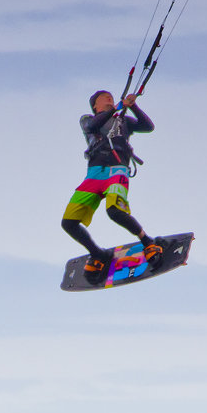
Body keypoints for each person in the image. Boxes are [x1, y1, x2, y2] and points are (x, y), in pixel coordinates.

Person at [61, 89, 163, 281]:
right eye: (103, 97)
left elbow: (148, 126)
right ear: (95, 105)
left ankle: (147, 242)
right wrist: (117, 108)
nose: (109, 97)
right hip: (94, 174)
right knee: (68, 223)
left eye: (111, 96)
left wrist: (133, 107)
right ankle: (98, 254)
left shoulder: (123, 121)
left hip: (117, 170)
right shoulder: (87, 119)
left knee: (115, 211)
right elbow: (93, 126)